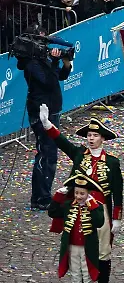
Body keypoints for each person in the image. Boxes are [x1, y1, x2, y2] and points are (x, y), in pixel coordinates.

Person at [39, 112, 122, 283]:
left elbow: (118, 190)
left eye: (95, 136)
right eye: (89, 136)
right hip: (77, 207)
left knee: (102, 251)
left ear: (103, 138)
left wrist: (117, 217)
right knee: (79, 247)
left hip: (100, 209)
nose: (91, 139)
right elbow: (62, 142)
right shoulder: (78, 154)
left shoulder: (112, 162)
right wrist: (47, 124)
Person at [20, 33, 75, 212]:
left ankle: (40, 196)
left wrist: (65, 62)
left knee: (48, 154)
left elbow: (60, 77)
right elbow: (48, 82)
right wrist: (53, 61)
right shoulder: (31, 64)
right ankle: (42, 198)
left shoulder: (42, 60)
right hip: (42, 113)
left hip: (52, 110)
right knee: (47, 154)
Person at [48, 172, 107, 283]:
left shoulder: (96, 206)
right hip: (72, 248)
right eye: (77, 193)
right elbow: (52, 212)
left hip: (88, 250)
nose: (79, 196)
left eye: (82, 193)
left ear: (88, 193)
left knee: (88, 280)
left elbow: (99, 222)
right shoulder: (68, 205)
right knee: (75, 278)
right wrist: (58, 197)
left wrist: (93, 205)